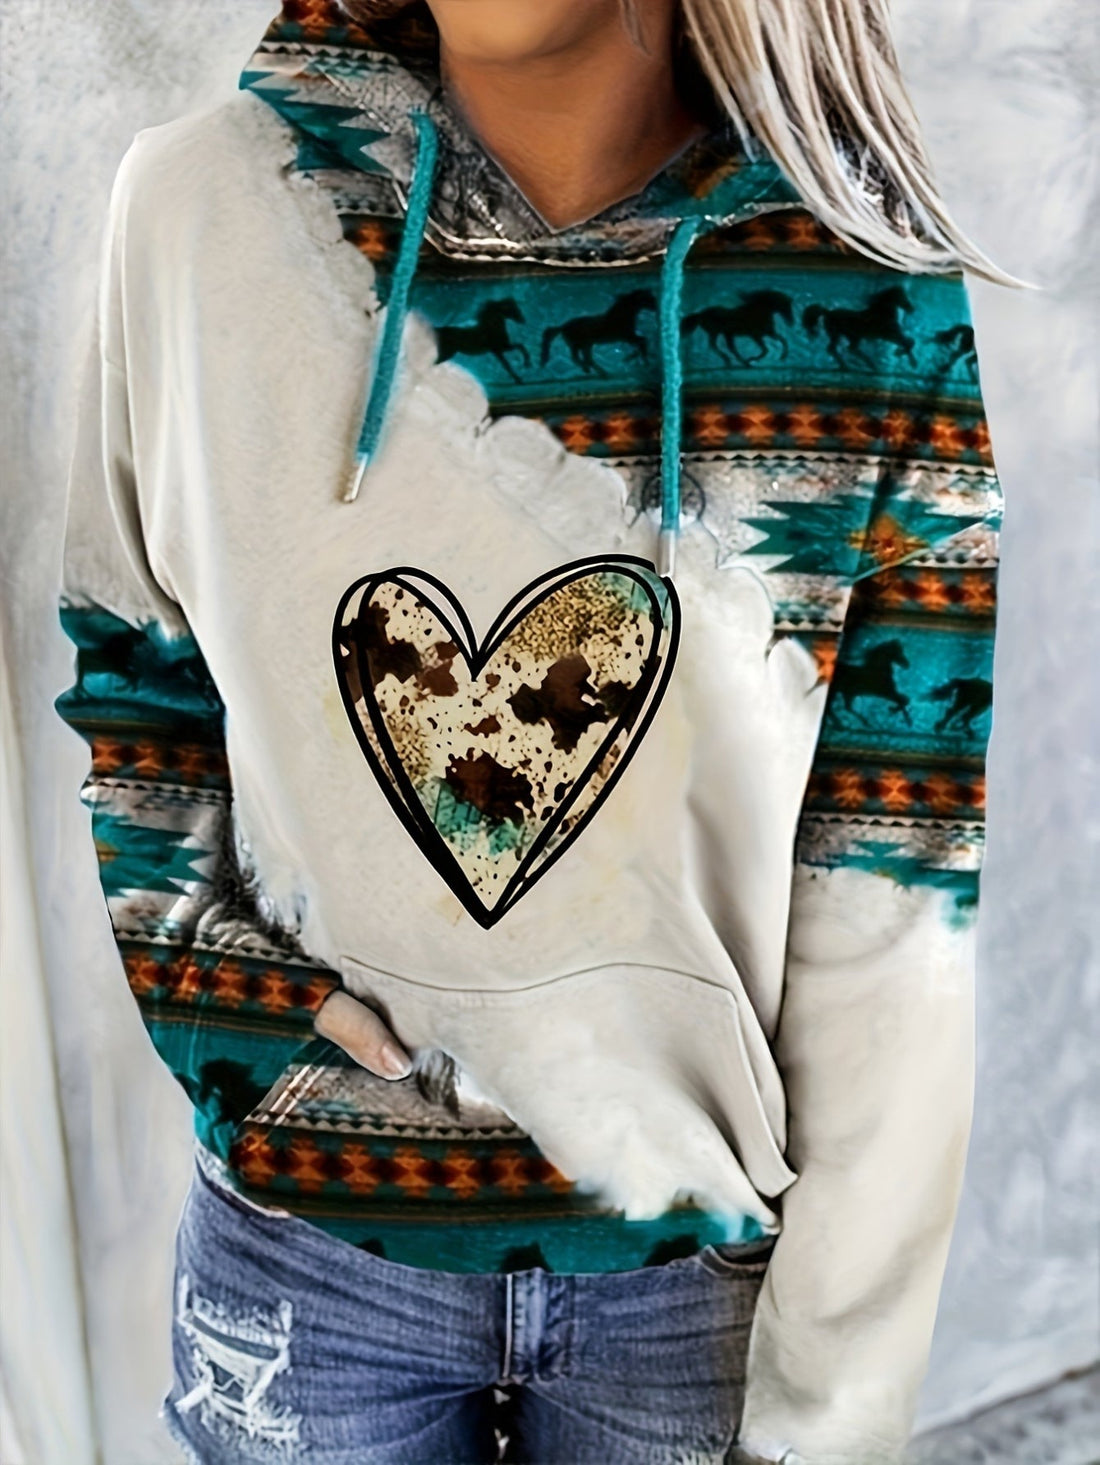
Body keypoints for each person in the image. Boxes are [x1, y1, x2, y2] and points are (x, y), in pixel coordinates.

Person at [54, 1, 1015, 1460]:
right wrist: (221, 1005)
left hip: (692, 1288)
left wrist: (832, 1413)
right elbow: (133, 672)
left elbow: (895, 898)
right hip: (305, 1261)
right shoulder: (200, 211)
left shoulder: (874, 306)